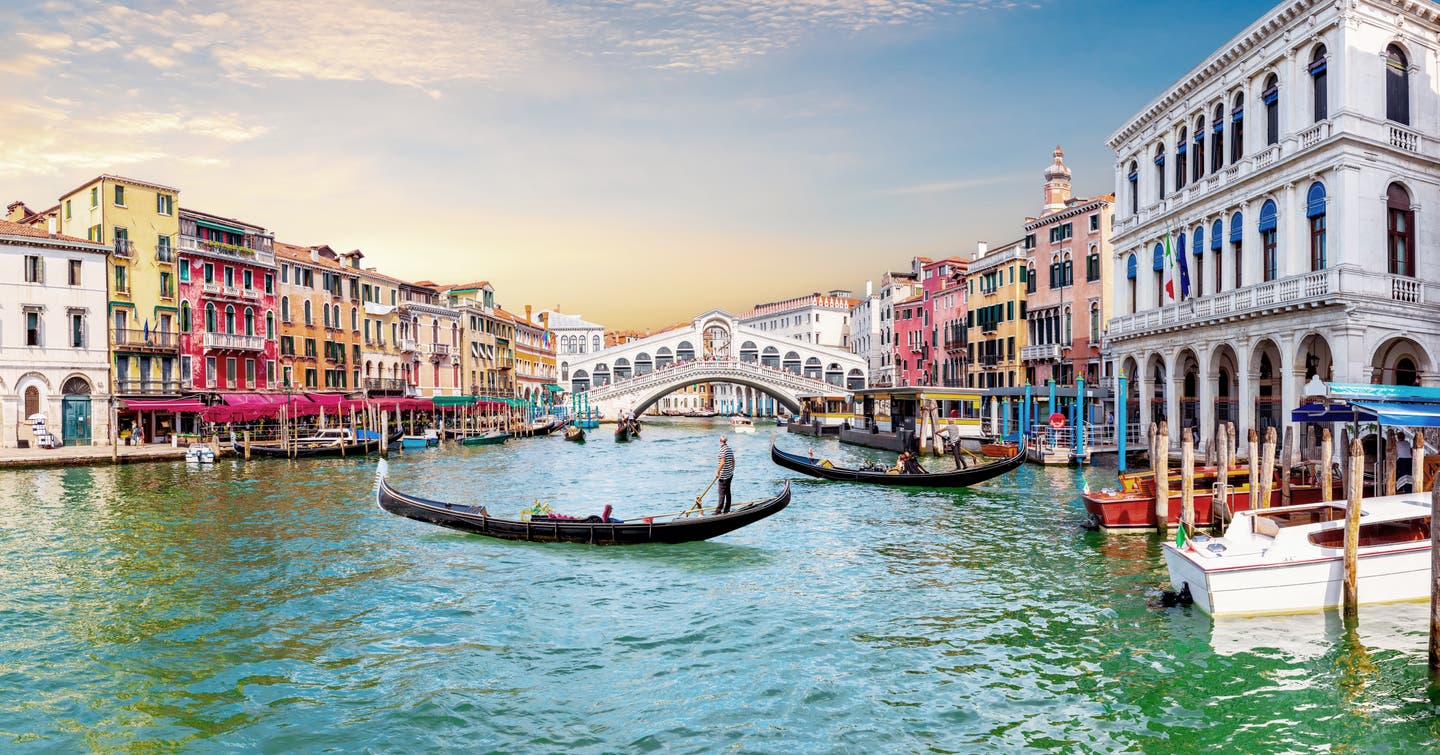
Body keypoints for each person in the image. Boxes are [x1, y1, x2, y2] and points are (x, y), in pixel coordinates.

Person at [714, 435, 735, 515]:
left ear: (720, 440)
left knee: (721, 492)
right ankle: (727, 509)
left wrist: (717, 472)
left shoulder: (722, 450)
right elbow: (733, 460)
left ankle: (718, 510)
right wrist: (732, 470)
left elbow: (722, 462)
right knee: (727, 492)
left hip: (723, 475)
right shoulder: (729, 449)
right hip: (729, 474)